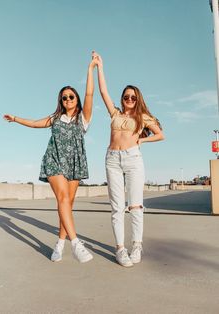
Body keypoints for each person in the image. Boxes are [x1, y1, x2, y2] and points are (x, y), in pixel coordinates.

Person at [3, 53, 97, 263]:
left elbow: (90, 94)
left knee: (67, 204)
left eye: (71, 97)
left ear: (76, 99)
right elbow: (36, 123)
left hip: (74, 162)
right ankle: (76, 244)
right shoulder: (55, 118)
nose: (68, 100)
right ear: (61, 101)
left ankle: (60, 243)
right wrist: (16, 119)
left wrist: (91, 69)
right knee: (62, 199)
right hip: (54, 160)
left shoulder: (83, 119)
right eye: (64, 98)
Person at [93, 52, 164, 267]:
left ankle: (136, 245)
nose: (130, 100)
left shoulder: (142, 117)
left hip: (133, 159)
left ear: (138, 99)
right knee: (117, 207)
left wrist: (143, 142)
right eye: (126, 97)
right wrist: (99, 67)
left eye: (133, 97)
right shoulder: (115, 114)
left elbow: (160, 134)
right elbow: (103, 91)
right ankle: (120, 249)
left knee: (135, 206)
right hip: (112, 159)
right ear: (122, 98)